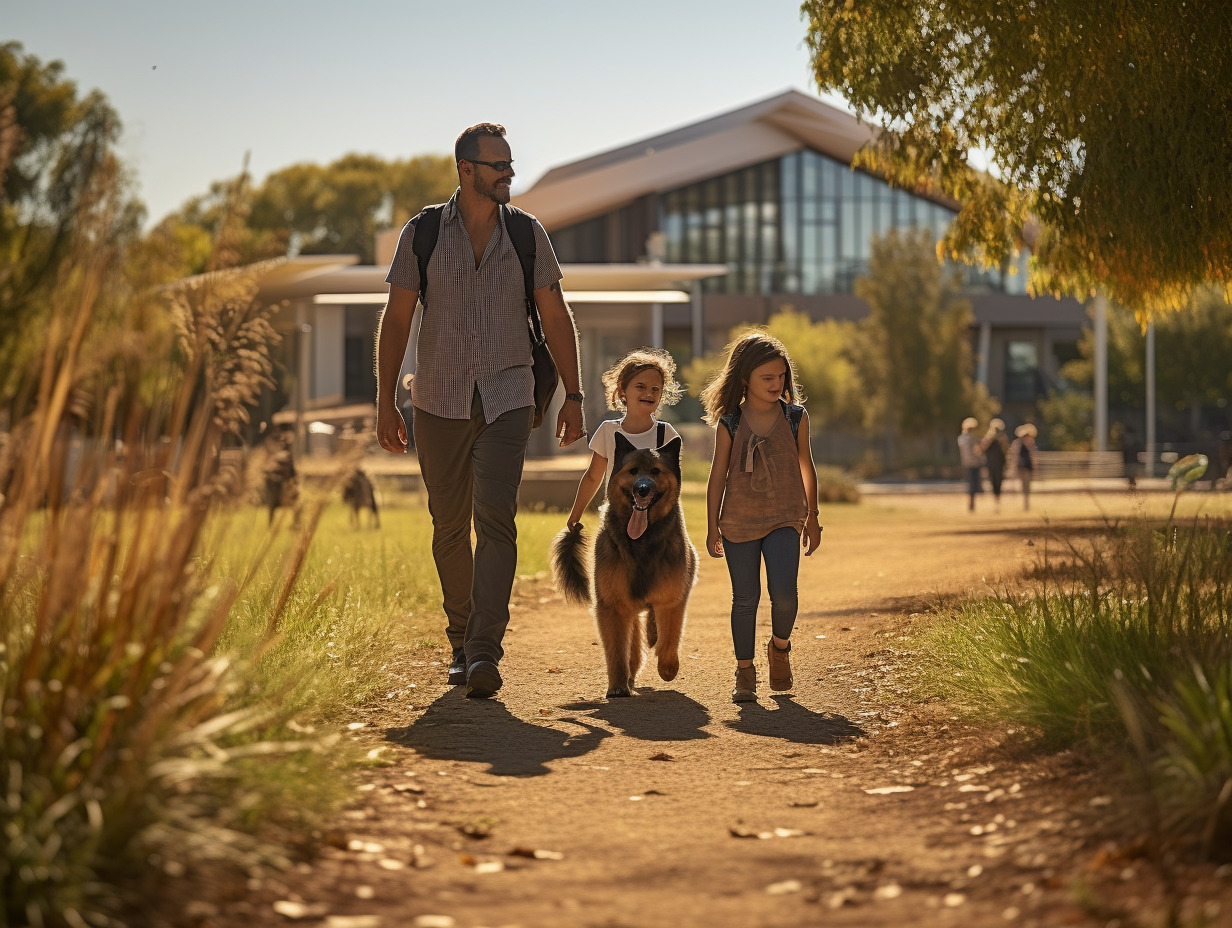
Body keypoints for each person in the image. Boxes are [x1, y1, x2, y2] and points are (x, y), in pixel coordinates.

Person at [375, 123, 585, 699]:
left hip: (507, 396)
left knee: (495, 519)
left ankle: (486, 652)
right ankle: (461, 643)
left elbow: (555, 313)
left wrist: (575, 393)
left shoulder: (525, 234)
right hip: (437, 399)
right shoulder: (421, 233)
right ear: (466, 169)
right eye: (498, 166)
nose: (508, 174)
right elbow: (397, 321)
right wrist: (385, 400)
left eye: (511, 164)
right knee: (448, 527)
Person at [702, 332, 822, 703]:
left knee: (784, 594)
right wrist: (711, 527)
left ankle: (780, 648)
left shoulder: (795, 418)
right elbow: (717, 477)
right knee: (745, 598)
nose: (777, 384)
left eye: (781, 376)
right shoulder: (730, 423)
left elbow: (808, 468)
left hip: (786, 515)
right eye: (767, 378)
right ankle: (744, 671)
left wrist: (813, 517)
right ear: (745, 380)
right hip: (738, 520)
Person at [566, 348, 684, 527]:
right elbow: (592, 477)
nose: (649, 393)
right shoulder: (608, 431)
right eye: (640, 387)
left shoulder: (667, 435)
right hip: (617, 523)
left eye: (655, 389)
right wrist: (575, 516)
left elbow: (671, 487)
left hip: (656, 526)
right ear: (622, 391)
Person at [980, 418, 1010, 510]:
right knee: (992, 480)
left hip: (1000, 463)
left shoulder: (1003, 438)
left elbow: (1006, 450)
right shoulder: (988, 437)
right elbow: (982, 448)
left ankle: (998, 497)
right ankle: (995, 497)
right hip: (991, 463)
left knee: (999, 480)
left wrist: (1002, 441)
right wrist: (990, 438)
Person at [957, 417, 984, 512]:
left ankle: (972, 503)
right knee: (973, 485)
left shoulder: (961, 439)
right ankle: (971, 504)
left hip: (967, 463)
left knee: (971, 484)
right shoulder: (972, 439)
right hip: (973, 464)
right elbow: (977, 451)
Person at [1010, 423, 1038, 510]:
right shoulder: (1017, 444)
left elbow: (1032, 455)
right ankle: (1025, 503)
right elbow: (1014, 455)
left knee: (1027, 485)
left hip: (1026, 466)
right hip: (1021, 467)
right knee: (1024, 485)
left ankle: (1026, 502)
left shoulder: (1029, 443)